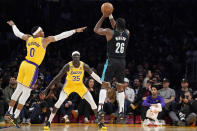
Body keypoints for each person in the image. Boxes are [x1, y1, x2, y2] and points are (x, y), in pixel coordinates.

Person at [5, 20, 86, 128]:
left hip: (24, 64)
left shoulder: (28, 38)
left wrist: (13, 25)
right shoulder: (44, 41)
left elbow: (17, 33)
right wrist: (75, 30)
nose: (43, 32)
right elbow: (61, 36)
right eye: (41, 31)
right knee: (26, 93)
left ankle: (9, 112)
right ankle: (15, 116)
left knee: (18, 89)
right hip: (32, 67)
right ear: (37, 33)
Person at [42, 51, 109, 130]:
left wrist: (102, 82)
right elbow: (57, 77)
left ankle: (100, 123)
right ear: (72, 58)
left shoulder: (84, 65)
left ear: (79, 57)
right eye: (75, 56)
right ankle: (48, 122)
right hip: (68, 86)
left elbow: (94, 76)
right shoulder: (68, 66)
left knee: (93, 103)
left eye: (78, 56)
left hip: (79, 86)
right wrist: (46, 89)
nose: (76, 58)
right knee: (59, 102)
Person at [94, 12, 130, 124]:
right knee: (120, 87)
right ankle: (121, 112)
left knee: (104, 85)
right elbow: (117, 27)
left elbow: (96, 29)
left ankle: (100, 110)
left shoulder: (109, 32)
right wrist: (111, 16)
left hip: (111, 61)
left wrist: (104, 16)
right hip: (122, 62)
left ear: (115, 26)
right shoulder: (127, 33)